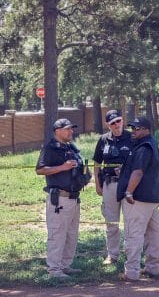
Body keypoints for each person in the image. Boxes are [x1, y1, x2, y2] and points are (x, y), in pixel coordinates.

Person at [36, 118, 89, 279]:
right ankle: (54, 270)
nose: (71, 131)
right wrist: (62, 167)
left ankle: (65, 266)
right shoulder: (50, 148)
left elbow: (81, 166)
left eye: (71, 128)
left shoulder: (71, 148)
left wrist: (85, 174)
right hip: (60, 199)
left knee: (71, 234)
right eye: (67, 129)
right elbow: (40, 170)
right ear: (57, 131)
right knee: (57, 234)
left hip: (74, 198)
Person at [117, 117, 159, 281]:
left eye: (137, 128)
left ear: (146, 130)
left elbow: (138, 172)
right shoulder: (150, 143)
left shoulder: (143, 147)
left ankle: (132, 272)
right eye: (132, 128)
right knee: (153, 234)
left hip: (138, 199)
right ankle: (154, 268)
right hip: (152, 197)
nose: (133, 131)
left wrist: (129, 192)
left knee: (134, 235)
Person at [93, 109, 132, 265]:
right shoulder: (103, 140)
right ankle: (112, 255)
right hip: (109, 184)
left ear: (123, 120)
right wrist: (97, 184)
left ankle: (131, 254)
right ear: (108, 125)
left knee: (131, 221)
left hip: (129, 185)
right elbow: (97, 163)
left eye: (119, 121)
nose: (117, 125)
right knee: (111, 222)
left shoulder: (131, 138)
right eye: (113, 123)